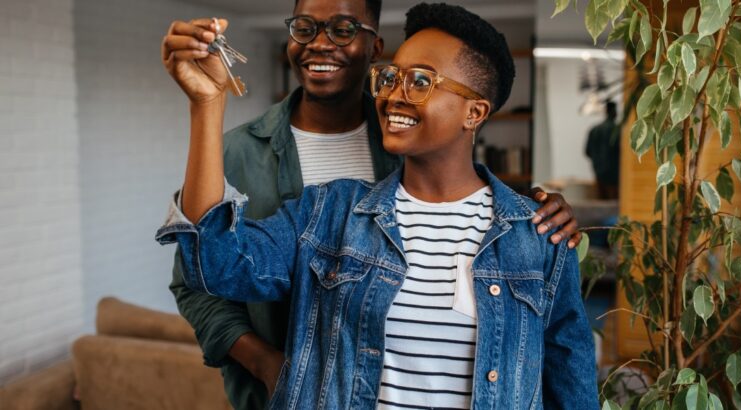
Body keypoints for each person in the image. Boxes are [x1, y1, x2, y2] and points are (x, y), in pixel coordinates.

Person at [157, 3, 598, 408]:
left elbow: (569, 379)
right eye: (391, 77)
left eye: (421, 81)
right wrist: (207, 104)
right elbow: (214, 263)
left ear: (475, 113)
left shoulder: (536, 235)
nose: (393, 94)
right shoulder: (330, 211)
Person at [584, 100, 620, 199]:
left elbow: (587, 152)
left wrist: (598, 162)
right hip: (616, 176)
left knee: (601, 203)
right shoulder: (620, 130)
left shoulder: (594, 130)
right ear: (615, 113)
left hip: (599, 174)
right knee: (615, 206)